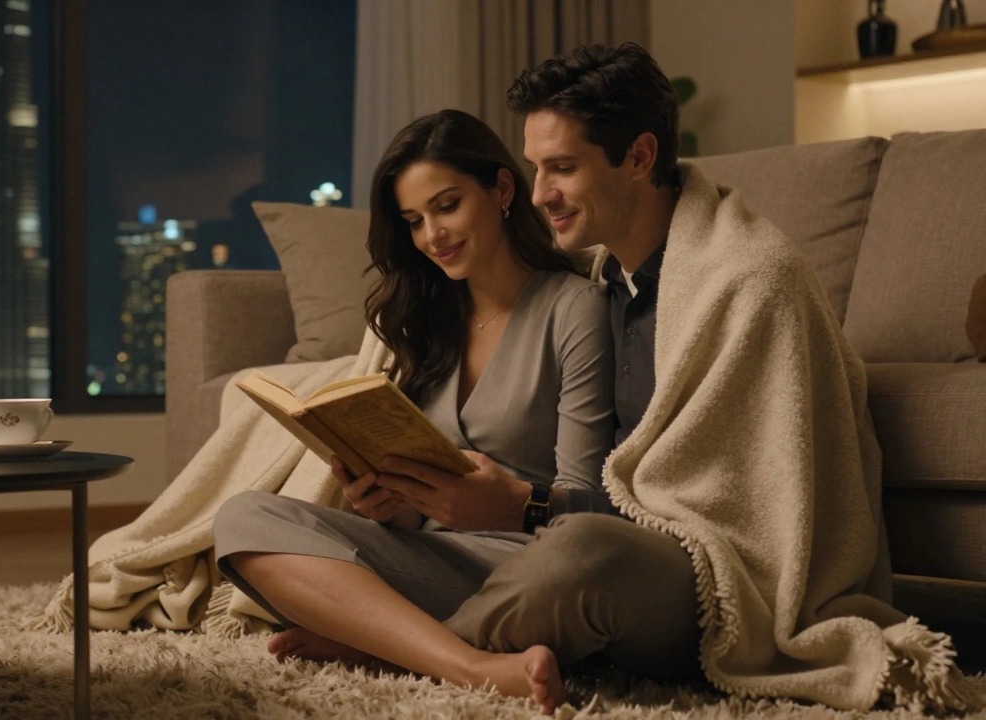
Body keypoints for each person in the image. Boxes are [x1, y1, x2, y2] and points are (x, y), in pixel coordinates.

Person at [446, 43, 981, 713]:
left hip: (712, 580)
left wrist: (528, 507)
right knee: (294, 526)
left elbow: (738, 516)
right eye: (534, 167)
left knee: (582, 554)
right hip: (588, 542)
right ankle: (403, 618)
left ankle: (415, 646)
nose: (538, 194)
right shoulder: (593, 283)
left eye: (561, 168)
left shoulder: (751, 281)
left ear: (639, 158)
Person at [211, 108, 616, 713]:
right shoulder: (430, 322)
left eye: (447, 206)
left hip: (533, 564)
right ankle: (454, 656)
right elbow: (421, 510)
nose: (432, 236)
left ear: (502, 189)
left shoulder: (575, 308)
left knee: (576, 561)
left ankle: (414, 651)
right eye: (414, 221)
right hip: (439, 558)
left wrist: (508, 503)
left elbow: (590, 508)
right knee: (243, 519)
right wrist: (390, 507)